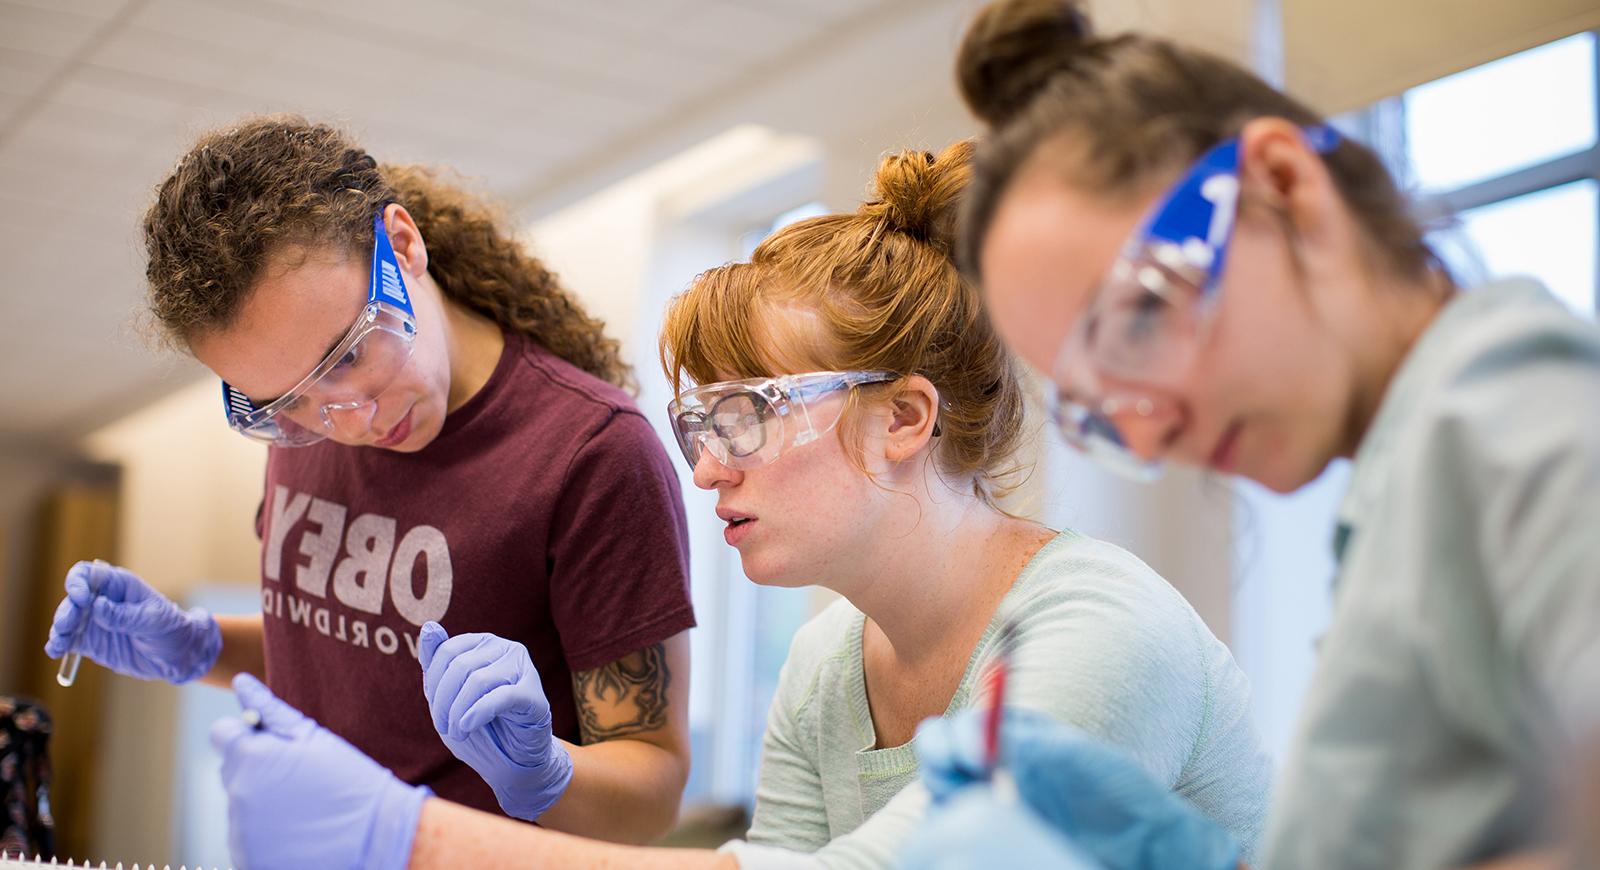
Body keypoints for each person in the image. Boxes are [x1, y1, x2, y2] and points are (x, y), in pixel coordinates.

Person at [199, 140, 1273, 869]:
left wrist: (411, 836)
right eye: (699, 425)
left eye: (745, 416)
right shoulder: (826, 666)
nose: (706, 468)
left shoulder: (1097, 637)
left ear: (904, 418)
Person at [902, 1, 1600, 868]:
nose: (1151, 438)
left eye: (1138, 323)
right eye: (1101, 407)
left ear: (1282, 186)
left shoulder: (1507, 408)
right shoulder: (1413, 477)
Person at [42, 116, 696, 843]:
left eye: (350, 354)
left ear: (404, 245)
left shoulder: (591, 454)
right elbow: (359, 649)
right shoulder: (307, 415)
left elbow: (652, 787)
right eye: (286, 400)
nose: (348, 419)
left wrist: (542, 772)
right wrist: (201, 647)